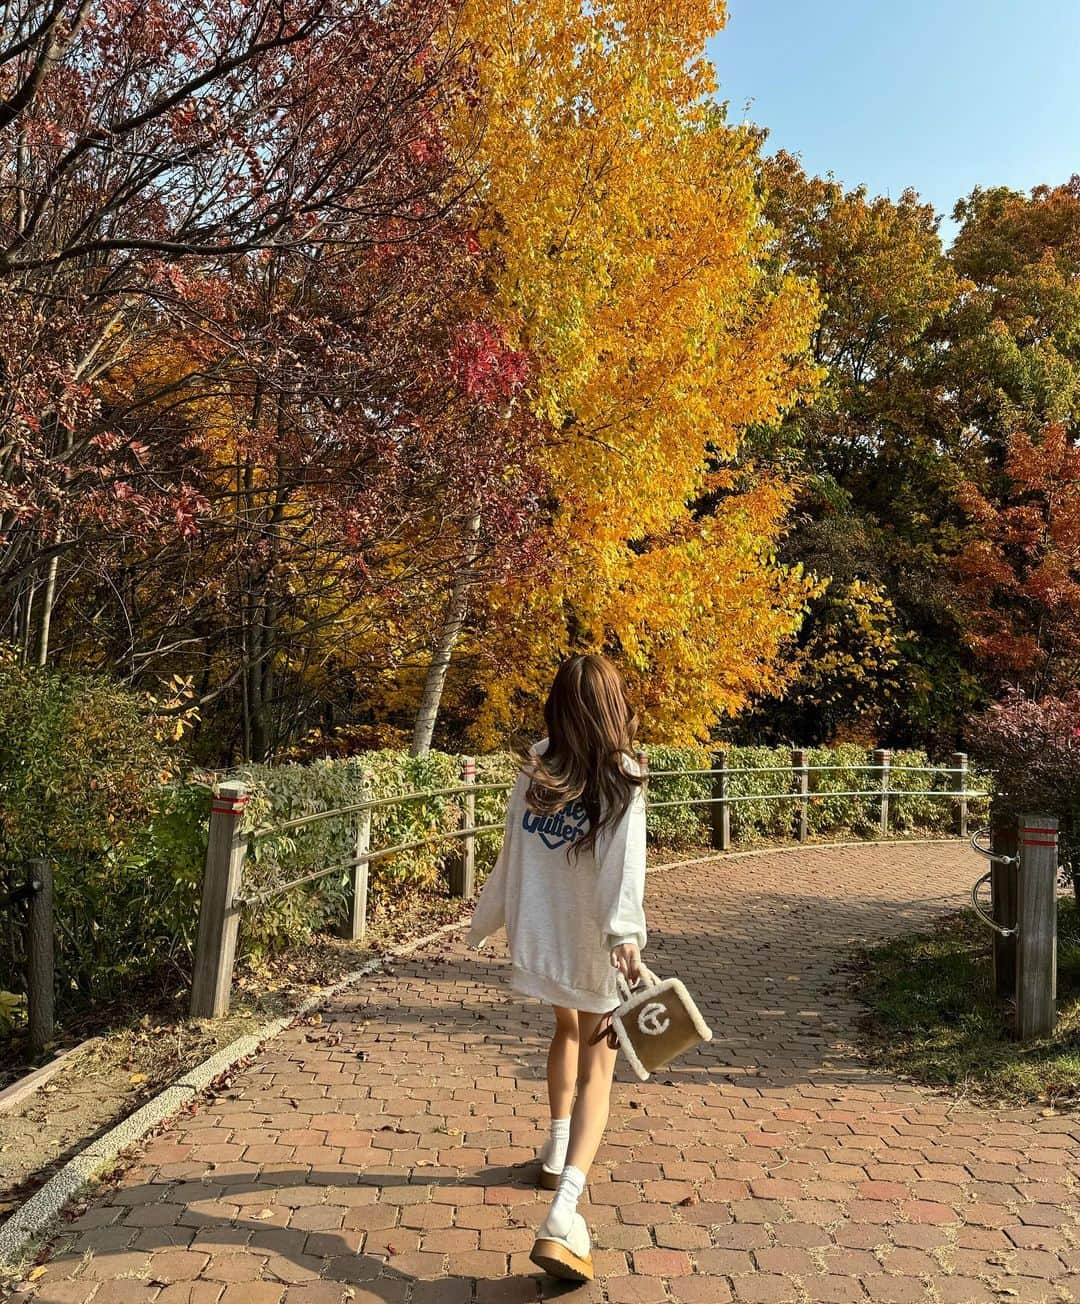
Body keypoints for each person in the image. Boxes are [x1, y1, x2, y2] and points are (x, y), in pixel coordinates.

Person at [467, 653, 647, 1283]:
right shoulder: (623, 776)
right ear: (610, 707)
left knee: (564, 1032)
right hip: (592, 943)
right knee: (602, 1064)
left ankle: (553, 1145)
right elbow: (624, 872)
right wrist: (626, 939)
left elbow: (510, 849)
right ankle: (563, 1211)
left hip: (545, 939)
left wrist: (492, 918)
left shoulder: (536, 772)